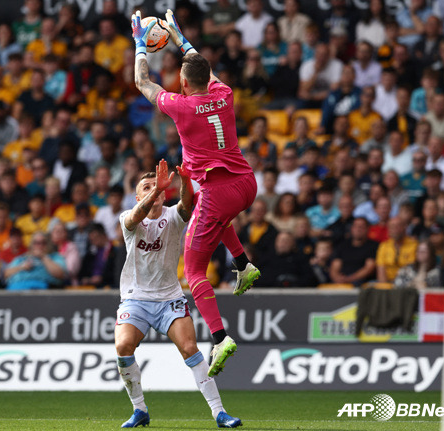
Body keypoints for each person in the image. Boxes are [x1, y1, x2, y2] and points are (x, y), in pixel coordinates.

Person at [132, 10, 261, 376]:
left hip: (218, 193)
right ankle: (243, 264)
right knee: (212, 211)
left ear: (183, 84)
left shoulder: (182, 106)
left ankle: (220, 337)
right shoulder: (225, 93)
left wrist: (141, 44)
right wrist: (179, 37)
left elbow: (143, 84)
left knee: (193, 271)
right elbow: (202, 67)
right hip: (246, 184)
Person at [115, 159, 241, 428]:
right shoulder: (128, 218)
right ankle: (140, 409)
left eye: (158, 187)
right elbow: (136, 216)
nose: (154, 190)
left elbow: (186, 205)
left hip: (169, 298)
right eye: (146, 187)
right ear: (138, 196)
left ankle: (219, 412)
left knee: (190, 349)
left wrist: (184, 181)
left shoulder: (172, 216)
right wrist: (155, 190)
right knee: (123, 346)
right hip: (136, 299)